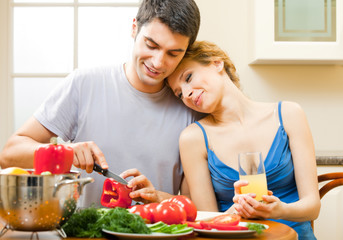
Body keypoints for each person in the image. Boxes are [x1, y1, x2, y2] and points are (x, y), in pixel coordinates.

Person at [0, 0, 201, 207]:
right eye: (151, 45)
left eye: (173, 54)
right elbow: (9, 155)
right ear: (134, 28)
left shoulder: (190, 106)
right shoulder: (84, 84)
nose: (158, 62)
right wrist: (65, 154)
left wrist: (159, 198)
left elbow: (196, 205)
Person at [166, 41, 321, 239]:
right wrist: (237, 210)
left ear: (216, 63)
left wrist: (279, 210)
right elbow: (207, 224)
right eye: (179, 94)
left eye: (188, 77)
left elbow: (313, 207)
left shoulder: (289, 114)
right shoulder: (192, 139)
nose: (186, 94)